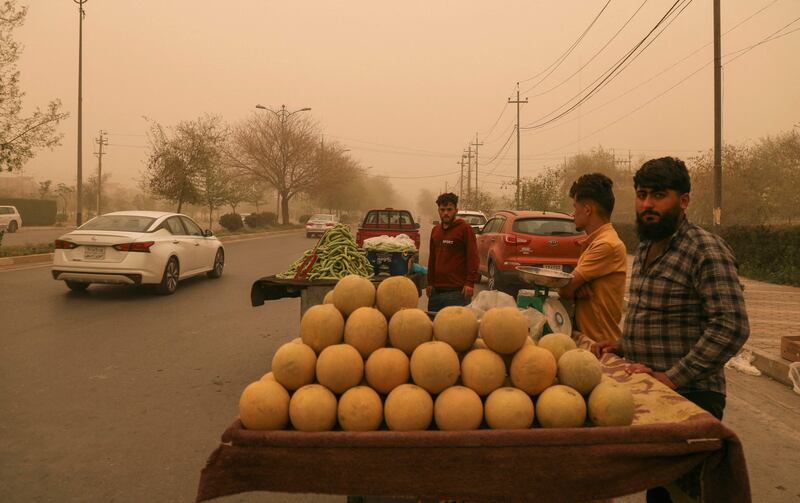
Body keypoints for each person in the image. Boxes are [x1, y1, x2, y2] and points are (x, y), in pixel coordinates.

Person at [593, 157, 750, 502]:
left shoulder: (704, 250)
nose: (647, 205)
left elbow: (731, 327)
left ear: (683, 200)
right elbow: (660, 317)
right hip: (653, 393)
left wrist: (673, 377)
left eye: (659, 195)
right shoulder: (649, 245)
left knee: (681, 494)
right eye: (642, 194)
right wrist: (622, 345)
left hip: (692, 398)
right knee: (660, 490)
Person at [559, 173, 627, 343]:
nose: (572, 213)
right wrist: (575, 287)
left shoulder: (606, 245)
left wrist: (571, 287)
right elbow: (570, 286)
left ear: (588, 210)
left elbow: (565, 289)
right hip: (588, 340)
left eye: (575, 207)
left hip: (600, 345)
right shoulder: (594, 241)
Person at [426, 192, 479, 312]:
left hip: (457, 292)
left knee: (456, 329)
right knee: (434, 326)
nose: (445, 213)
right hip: (436, 292)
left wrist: (469, 283)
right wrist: (429, 283)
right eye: (442, 209)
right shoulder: (435, 231)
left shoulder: (465, 229)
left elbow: (473, 258)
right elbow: (432, 259)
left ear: (456, 210)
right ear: (438, 210)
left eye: (449, 209)